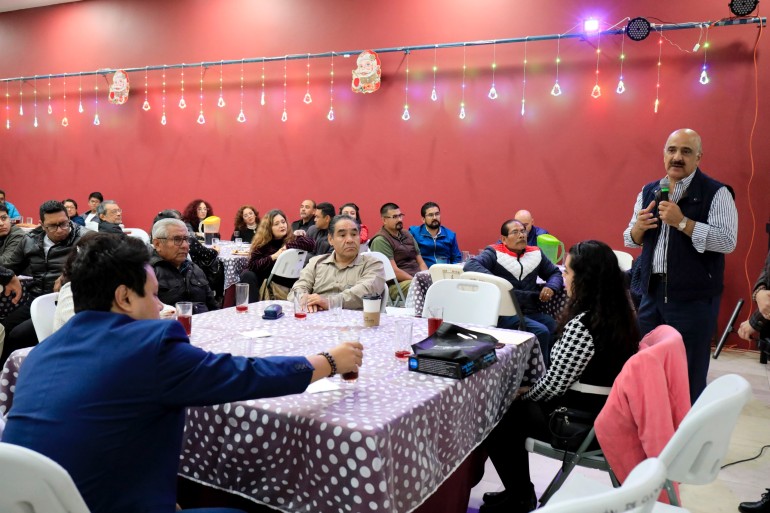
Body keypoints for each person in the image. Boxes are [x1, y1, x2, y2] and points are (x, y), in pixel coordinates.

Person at [1, 233, 362, 513]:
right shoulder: (150, 345)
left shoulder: (39, 353)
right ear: (124, 297)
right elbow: (246, 375)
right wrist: (330, 361)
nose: (161, 307)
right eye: (153, 296)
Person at [478, 240, 639, 513]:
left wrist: (524, 393)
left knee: (498, 414)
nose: (564, 278)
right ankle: (518, 491)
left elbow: (554, 385)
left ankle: (520, 496)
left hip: (581, 422)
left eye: (567, 272)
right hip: (604, 412)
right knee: (512, 407)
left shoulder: (585, 323)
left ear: (585, 279)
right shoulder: (619, 313)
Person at [623, 128, 737, 403]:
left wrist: (683, 223)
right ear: (664, 154)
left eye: (686, 151)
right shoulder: (649, 190)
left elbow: (727, 241)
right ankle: (651, 423)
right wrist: (638, 229)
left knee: (687, 375)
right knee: (646, 369)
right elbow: (630, 238)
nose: (677, 157)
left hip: (693, 300)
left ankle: (687, 428)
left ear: (698, 157)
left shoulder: (717, 192)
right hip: (651, 296)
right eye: (672, 150)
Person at [464, 219, 562, 367]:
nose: (521, 235)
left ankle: (550, 369)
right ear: (504, 239)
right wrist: (498, 282)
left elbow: (555, 273)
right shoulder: (494, 252)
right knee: (541, 331)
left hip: (530, 310)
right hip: (504, 313)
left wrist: (551, 286)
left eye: (523, 231)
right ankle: (536, 376)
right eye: (515, 232)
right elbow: (470, 264)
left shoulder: (535, 253)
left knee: (554, 326)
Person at [1, 200, 83, 365]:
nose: (60, 230)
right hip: (35, 296)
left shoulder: (84, 238)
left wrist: (68, 275)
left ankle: (24, 370)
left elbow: (104, 266)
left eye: (64, 223)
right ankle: (6, 373)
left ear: (69, 219)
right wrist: (7, 274)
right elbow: (9, 265)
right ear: (42, 225)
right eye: (52, 226)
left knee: (19, 335)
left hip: (66, 300)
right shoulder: (30, 240)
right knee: (5, 327)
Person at [289, 215, 385, 311]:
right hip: (315, 317)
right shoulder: (316, 263)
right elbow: (298, 288)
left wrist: (329, 302)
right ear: (330, 239)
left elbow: (365, 291)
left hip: (356, 319)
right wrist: (305, 300)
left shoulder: (373, 264)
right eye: (342, 235)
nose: (350, 240)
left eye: (354, 234)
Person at [240, 209, 315, 303]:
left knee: (247, 275)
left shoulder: (292, 238)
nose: (282, 225)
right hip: (268, 279)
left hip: (285, 280)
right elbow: (252, 265)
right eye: (276, 224)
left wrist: (286, 247)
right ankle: (248, 307)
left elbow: (311, 244)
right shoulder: (263, 242)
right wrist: (274, 256)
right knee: (247, 275)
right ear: (269, 228)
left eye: (283, 222)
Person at [150, 219, 219, 314]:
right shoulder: (148, 272)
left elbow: (214, 308)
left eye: (186, 239)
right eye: (177, 239)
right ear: (157, 244)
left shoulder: (194, 269)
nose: (185, 245)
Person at [369, 203, 427, 300]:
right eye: (395, 217)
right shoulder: (381, 240)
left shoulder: (407, 234)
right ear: (384, 220)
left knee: (439, 284)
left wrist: (426, 277)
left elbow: (421, 262)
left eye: (400, 216)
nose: (399, 219)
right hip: (396, 285)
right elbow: (394, 271)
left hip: (416, 279)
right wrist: (417, 281)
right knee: (422, 287)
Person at [409, 201, 462, 267]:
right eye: (430, 215)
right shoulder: (414, 233)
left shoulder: (450, 235)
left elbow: (457, 259)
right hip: (424, 271)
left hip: (445, 271)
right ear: (423, 219)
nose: (434, 217)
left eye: (437, 214)